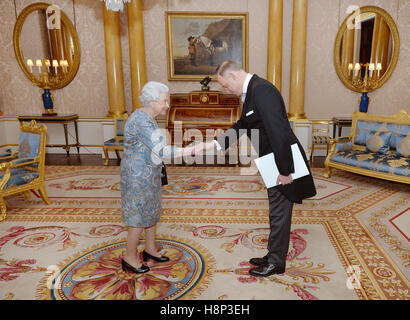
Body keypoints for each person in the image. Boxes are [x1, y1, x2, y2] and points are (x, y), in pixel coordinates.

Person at [197, 60, 317, 277]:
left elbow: (278, 131)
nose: (226, 90)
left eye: (225, 85)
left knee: (280, 212)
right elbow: (243, 124)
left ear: (233, 76)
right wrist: (218, 143)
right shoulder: (252, 91)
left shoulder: (262, 91)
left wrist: (285, 170)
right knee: (276, 210)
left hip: (281, 163)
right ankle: (273, 255)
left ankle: (276, 263)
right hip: (271, 162)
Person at [120, 81, 195, 274]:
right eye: (164, 101)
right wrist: (191, 149)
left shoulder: (149, 117)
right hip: (137, 176)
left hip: (150, 173)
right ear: (152, 101)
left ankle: (150, 249)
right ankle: (129, 257)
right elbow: (162, 149)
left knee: (151, 211)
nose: (167, 105)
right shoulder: (141, 121)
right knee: (138, 216)